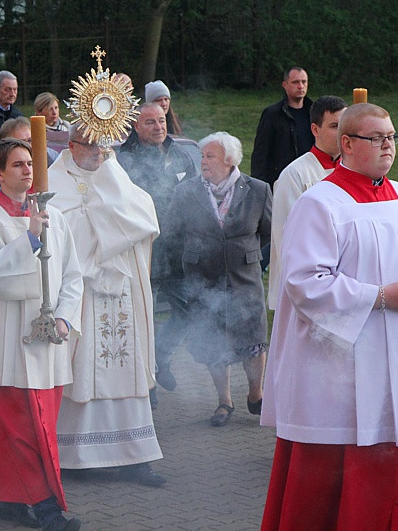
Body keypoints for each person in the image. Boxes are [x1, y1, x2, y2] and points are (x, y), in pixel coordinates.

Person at [260, 103, 398, 529]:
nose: (387, 146)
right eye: (375, 139)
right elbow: (304, 281)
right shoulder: (320, 202)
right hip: (339, 364)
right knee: (335, 481)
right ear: (346, 144)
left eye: (391, 137)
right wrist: (380, 296)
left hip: (393, 353)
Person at [0, 139, 83, 530]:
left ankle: (11, 502)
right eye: (17, 165)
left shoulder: (55, 216)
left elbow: (72, 275)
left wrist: (65, 317)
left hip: (48, 344)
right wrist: (29, 238)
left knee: (32, 424)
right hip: (6, 341)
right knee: (24, 428)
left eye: (31, 163)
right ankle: (48, 508)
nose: (28, 170)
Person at [50, 125, 165, 486]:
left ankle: (136, 459)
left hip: (120, 291)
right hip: (82, 290)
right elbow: (59, 229)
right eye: (90, 145)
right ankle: (76, 456)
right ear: (71, 145)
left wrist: (107, 211)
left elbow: (143, 217)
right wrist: (103, 220)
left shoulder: (114, 171)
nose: (99, 152)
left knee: (126, 367)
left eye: (104, 144)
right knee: (84, 369)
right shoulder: (55, 180)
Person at [164, 132, 271, 427]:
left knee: (253, 339)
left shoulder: (258, 189)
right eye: (202, 156)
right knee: (213, 341)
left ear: (229, 160)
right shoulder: (187, 192)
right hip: (203, 277)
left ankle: (256, 394)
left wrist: (246, 253)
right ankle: (224, 401)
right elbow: (172, 233)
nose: (203, 162)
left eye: (209, 156)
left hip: (244, 277)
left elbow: (268, 231)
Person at [118, 102, 199, 395]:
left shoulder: (179, 155)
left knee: (190, 310)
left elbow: (195, 196)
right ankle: (146, 384)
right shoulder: (123, 159)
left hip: (177, 253)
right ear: (136, 126)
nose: (158, 127)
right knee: (143, 318)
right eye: (150, 122)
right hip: (144, 253)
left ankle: (160, 358)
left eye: (161, 121)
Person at [267, 95, 347, 310]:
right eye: (334, 126)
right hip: (307, 284)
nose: (342, 133)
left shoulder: (353, 171)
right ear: (315, 129)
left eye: (344, 125)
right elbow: (285, 235)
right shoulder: (295, 174)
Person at [251, 66, 314, 187]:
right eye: (295, 82)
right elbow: (261, 152)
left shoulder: (314, 113)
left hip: (310, 178)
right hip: (281, 180)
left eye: (304, 82)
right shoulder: (272, 114)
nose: (300, 86)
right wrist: (258, 186)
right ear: (285, 85)